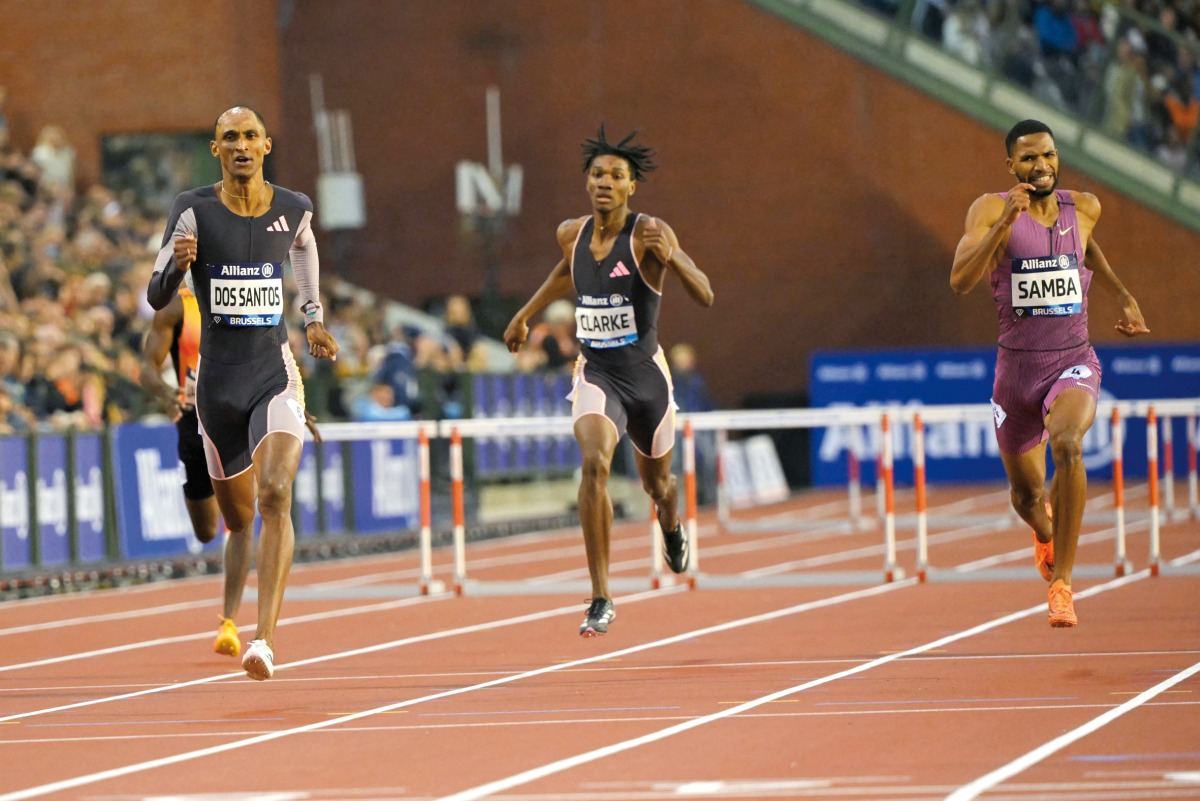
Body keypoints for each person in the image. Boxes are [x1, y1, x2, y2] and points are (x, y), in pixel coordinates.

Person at [147, 106, 339, 679]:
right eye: (229, 137)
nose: (241, 146)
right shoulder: (192, 209)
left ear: (266, 145)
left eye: (250, 136)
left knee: (277, 493)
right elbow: (157, 296)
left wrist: (312, 316)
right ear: (216, 150)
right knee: (236, 520)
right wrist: (174, 270)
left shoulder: (294, 207)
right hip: (216, 389)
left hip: (271, 374)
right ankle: (231, 613)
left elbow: (304, 250)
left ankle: (265, 640)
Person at [503, 126, 714, 637]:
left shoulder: (648, 234)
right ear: (587, 181)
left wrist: (676, 255)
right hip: (596, 372)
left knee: (656, 485)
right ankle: (601, 595)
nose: (605, 182)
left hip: (646, 378)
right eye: (597, 174)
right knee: (594, 463)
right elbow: (564, 273)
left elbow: (704, 294)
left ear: (631, 187)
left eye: (616, 176)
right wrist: (525, 314)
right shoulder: (570, 233)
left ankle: (669, 523)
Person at [950, 119, 1149, 628]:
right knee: (1027, 497)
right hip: (1015, 372)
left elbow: (1088, 247)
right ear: (1011, 166)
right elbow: (960, 280)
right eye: (1029, 159)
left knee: (1068, 444)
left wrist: (1122, 294)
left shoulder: (1084, 207)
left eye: (1049, 156)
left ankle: (1063, 584)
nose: (1041, 166)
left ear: (1059, 158)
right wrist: (1002, 226)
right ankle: (1044, 533)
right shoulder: (991, 208)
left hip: (1072, 359)